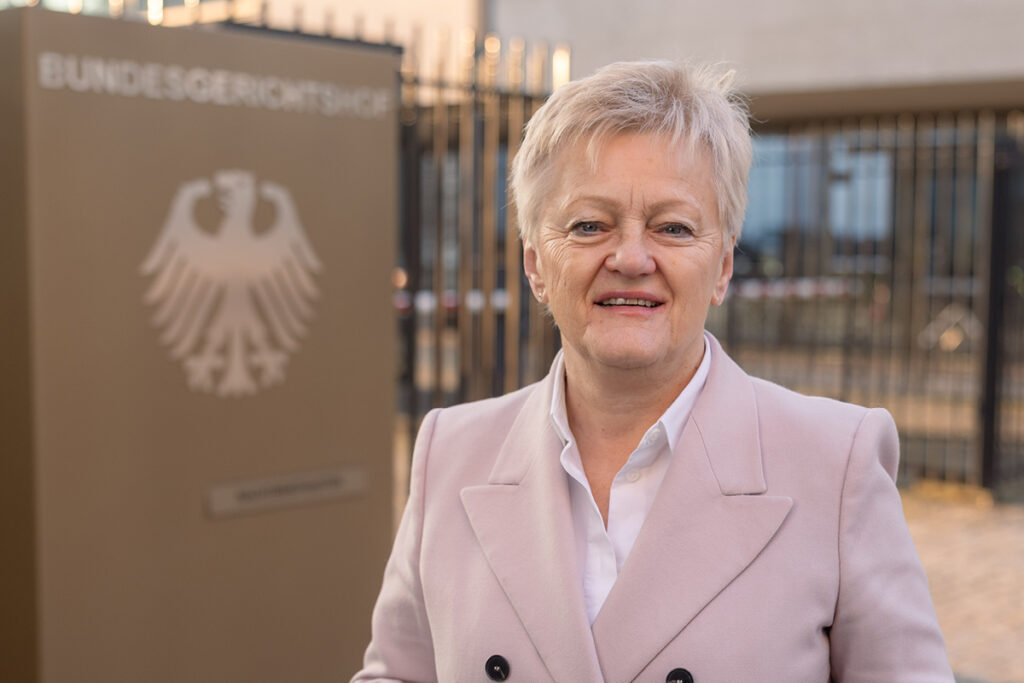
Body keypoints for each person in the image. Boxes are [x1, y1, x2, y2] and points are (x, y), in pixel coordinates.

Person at [353, 61, 953, 682]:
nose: (632, 258)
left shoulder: (837, 462)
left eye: (673, 227)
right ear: (535, 266)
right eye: (590, 225)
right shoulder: (450, 451)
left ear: (721, 267)